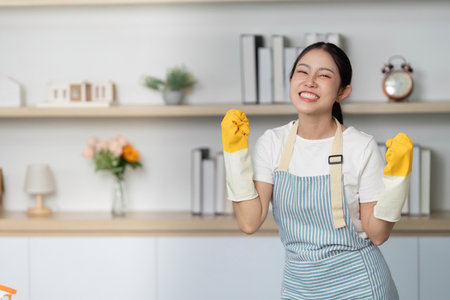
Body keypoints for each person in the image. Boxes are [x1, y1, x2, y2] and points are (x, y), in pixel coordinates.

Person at [221, 42, 413, 299]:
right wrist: (235, 155)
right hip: (298, 288)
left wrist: (397, 182)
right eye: (302, 72)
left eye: (324, 75)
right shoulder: (272, 142)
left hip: (360, 287)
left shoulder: (360, 146)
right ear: (290, 80)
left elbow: (377, 235)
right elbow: (249, 222)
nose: (310, 81)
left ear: (342, 92)